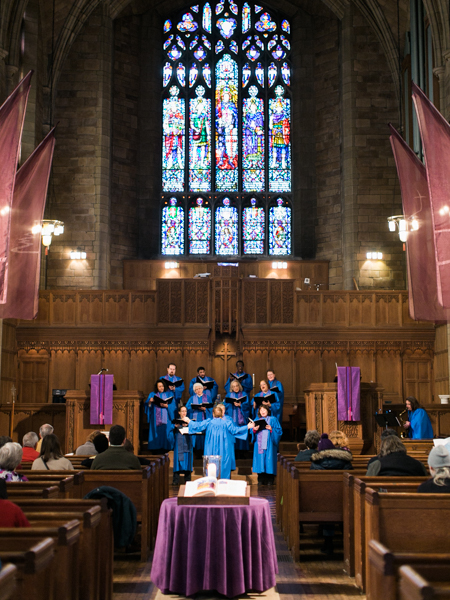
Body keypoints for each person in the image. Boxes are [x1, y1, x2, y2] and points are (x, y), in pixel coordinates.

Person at [184, 406, 255, 479]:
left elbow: (197, 425)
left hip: (211, 448)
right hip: (223, 448)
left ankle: (211, 483)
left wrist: (189, 421)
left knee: (211, 463)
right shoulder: (227, 422)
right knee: (223, 463)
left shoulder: (209, 422)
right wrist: (247, 426)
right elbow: (235, 430)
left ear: (213, 414)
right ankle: (224, 484)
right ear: (221, 414)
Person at [252, 405, 282, 485]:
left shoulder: (273, 419)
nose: (262, 411)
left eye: (264, 409)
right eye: (261, 410)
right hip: (259, 444)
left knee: (269, 460)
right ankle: (261, 479)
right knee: (260, 460)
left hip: (269, 444)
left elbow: (279, 431)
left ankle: (270, 479)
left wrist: (271, 429)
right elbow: (252, 433)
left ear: (268, 410)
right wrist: (254, 430)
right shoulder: (257, 420)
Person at [144, 380, 176, 453]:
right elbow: (147, 406)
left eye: (162, 386)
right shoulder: (152, 394)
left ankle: (166, 448)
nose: (161, 388)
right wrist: (150, 402)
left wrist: (167, 406)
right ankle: (155, 449)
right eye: (159, 386)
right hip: (155, 419)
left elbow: (174, 407)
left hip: (166, 418)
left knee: (166, 433)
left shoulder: (169, 394)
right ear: (157, 387)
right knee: (155, 433)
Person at [186, 382, 213, 455]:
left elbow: (211, 409)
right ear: (194, 391)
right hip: (195, 418)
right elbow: (187, 408)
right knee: (196, 434)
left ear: (202, 389)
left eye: (200, 388)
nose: (198, 390)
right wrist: (195, 408)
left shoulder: (207, 397)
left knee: (204, 434)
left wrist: (205, 409)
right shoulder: (192, 398)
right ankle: (196, 451)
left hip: (204, 418)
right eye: (196, 389)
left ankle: (204, 451)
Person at [224, 379, 250, 455]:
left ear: (239, 386)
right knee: (233, 432)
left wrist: (240, 405)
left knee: (242, 432)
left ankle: (243, 452)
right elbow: (225, 405)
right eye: (234, 386)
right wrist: (232, 403)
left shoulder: (244, 394)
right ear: (231, 387)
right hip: (232, 417)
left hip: (241, 418)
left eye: (237, 385)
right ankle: (234, 452)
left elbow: (247, 405)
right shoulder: (228, 395)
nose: (236, 387)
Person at [172, 406, 193, 486]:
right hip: (178, 444)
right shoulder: (176, 422)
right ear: (179, 412)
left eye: (185, 411)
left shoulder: (190, 422)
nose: (184, 413)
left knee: (187, 461)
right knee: (178, 462)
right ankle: (176, 480)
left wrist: (188, 425)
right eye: (182, 411)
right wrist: (175, 427)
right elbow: (170, 433)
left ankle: (187, 480)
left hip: (187, 444)